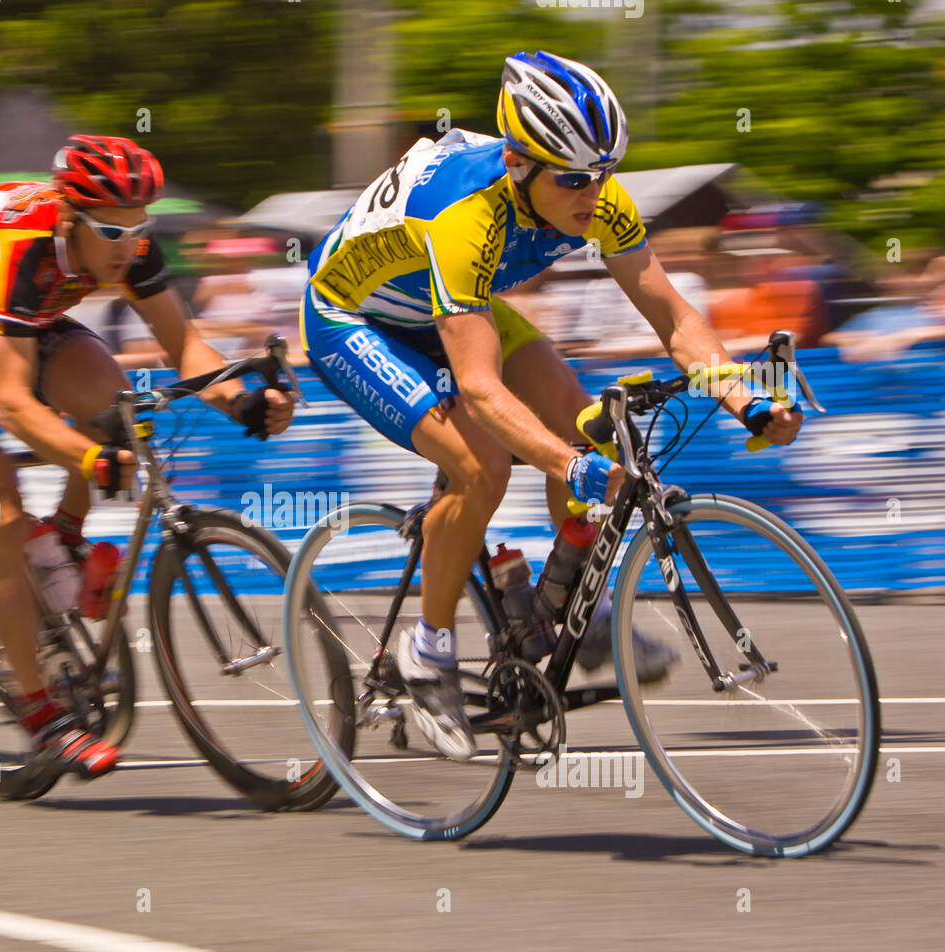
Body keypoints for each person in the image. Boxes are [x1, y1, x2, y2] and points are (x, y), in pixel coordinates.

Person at [300, 50, 802, 760]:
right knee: (483, 464)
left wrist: (748, 399)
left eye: (603, 173)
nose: (592, 194)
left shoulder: (596, 196)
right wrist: (572, 468)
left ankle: (570, 606)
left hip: (448, 305)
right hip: (353, 317)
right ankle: (428, 651)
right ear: (516, 162)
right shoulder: (465, 218)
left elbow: (673, 319)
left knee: (582, 419)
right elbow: (479, 387)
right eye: (572, 178)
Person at [0, 135, 294, 776]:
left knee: (118, 409)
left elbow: (184, 344)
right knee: (0, 507)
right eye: (110, 232)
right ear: (69, 218)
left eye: (138, 229)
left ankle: (65, 542)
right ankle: (42, 718)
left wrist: (242, 400)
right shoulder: (19, 251)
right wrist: (88, 461)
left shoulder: (128, 242)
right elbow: (12, 403)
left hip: (10, 323)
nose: (128, 247)